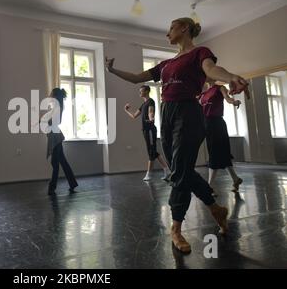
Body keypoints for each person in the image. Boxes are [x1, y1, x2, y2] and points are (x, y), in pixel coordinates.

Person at [105, 17, 250, 253]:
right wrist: (111, 70)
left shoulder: (200, 52)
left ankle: (176, 227)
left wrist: (230, 76)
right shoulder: (164, 65)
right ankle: (215, 207)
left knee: (180, 169)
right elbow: (136, 77)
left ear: (184, 28)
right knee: (180, 169)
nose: (167, 33)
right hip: (167, 113)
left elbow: (211, 70)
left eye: (170, 28)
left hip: (189, 112)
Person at [199, 80, 244, 195]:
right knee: (222, 153)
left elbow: (228, 98)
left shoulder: (220, 88)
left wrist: (234, 102)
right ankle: (235, 179)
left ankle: (209, 187)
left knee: (215, 154)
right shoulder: (203, 93)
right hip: (206, 124)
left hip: (217, 124)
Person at [124, 85, 170, 181]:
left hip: (150, 130)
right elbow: (134, 116)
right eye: (139, 91)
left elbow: (151, 112)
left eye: (141, 91)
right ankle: (166, 170)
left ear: (147, 91)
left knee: (151, 152)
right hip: (145, 130)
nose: (140, 93)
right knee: (153, 152)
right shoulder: (143, 104)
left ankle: (149, 174)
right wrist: (126, 111)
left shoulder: (150, 101)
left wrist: (151, 118)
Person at [41, 88, 78, 196]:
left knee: (55, 163)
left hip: (55, 137)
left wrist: (44, 120)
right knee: (62, 162)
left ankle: (52, 187)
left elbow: (57, 121)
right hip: (55, 136)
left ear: (55, 96)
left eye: (51, 94)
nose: (49, 95)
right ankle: (72, 183)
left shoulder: (58, 107)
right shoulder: (56, 107)